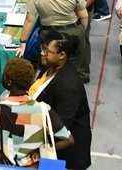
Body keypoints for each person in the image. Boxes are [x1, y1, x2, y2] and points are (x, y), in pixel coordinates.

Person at [0, 57, 74, 166]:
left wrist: (1, 147)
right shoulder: (44, 110)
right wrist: (39, 149)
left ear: (9, 82)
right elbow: (69, 140)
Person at [32, 33, 92, 169]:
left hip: (65, 156)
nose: (42, 53)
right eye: (43, 49)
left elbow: (60, 126)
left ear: (62, 55)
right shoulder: (48, 69)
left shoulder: (69, 86)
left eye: (47, 51)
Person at [22, 0, 89, 82]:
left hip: (51, 36)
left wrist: (23, 42)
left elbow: (29, 21)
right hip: (74, 32)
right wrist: (80, 31)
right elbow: (84, 16)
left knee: (50, 72)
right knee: (71, 70)